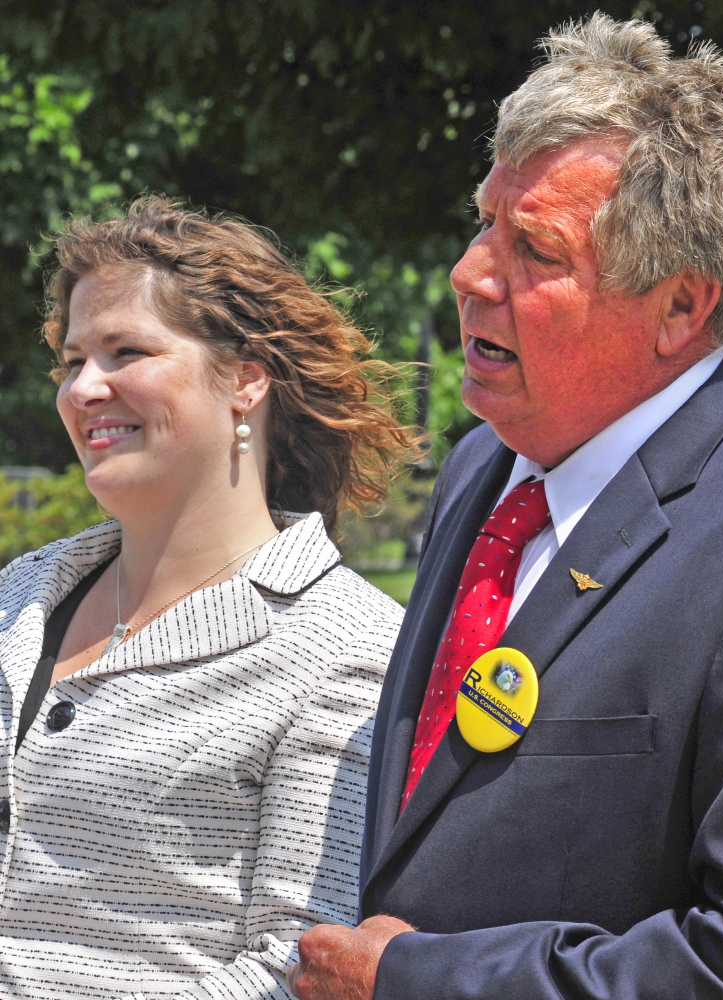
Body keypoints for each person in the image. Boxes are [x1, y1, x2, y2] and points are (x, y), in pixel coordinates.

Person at [289, 14, 723, 1000]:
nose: (470, 273)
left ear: (681, 308)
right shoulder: (483, 467)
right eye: (485, 221)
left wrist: (421, 982)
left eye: (534, 249)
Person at [0, 197, 415, 999]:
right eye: (73, 360)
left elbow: (298, 966)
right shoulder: (19, 597)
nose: (84, 388)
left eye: (126, 351)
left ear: (246, 380)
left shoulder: (347, 648)